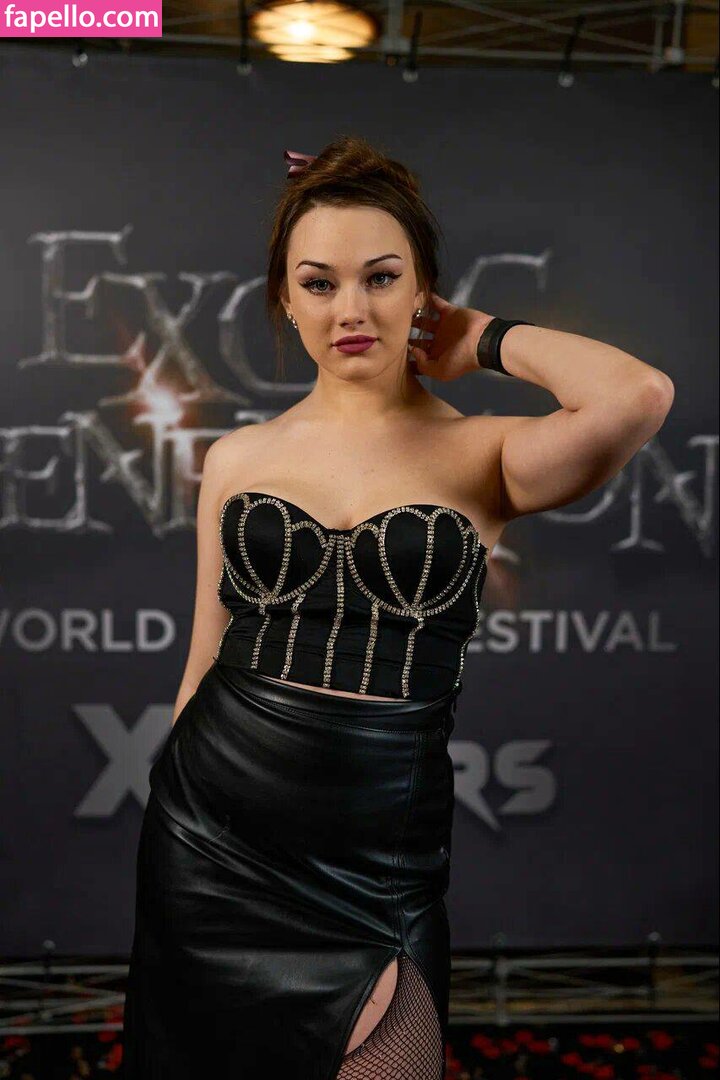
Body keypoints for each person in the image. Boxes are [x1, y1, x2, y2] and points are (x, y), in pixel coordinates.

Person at [122, 134, 674, 1079]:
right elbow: (204, 656)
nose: (351, 309)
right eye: (320, 283)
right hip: (209, 845)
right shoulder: (238, 459)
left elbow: (638, 396)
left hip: (374, 868)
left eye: (381, 278)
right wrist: (173, 823)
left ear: (424, 293)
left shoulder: (484, 452)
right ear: (286, 298)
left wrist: (485, 337)